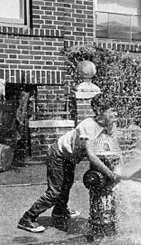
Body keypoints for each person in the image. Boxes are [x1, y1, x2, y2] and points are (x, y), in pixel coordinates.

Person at [17, 94, 126, 233]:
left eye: (116, 110)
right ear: (99, 111)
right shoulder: (89, 125)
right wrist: (110, 174)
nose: (116, 114)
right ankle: (27, 218)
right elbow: (91, 156)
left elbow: (116, 149)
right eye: (112, 110)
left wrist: (121, 169)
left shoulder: (110, 125)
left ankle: (60, 212)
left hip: (70, 158)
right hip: (58, 154)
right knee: (55, 192)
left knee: (66, 186)